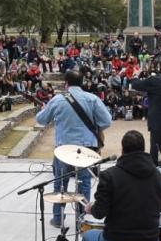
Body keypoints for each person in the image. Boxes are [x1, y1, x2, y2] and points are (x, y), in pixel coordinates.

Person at [36, 70, 112, 228]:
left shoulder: (58, 99)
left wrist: (43, 108)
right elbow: (106, 121)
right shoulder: (92, 99)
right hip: (86, 148)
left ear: (66, 83)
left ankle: (58, 218)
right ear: (82, 82)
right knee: (84, 182)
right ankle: (82, 220)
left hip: (63, 149)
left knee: (60, 184)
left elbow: (42, 120)